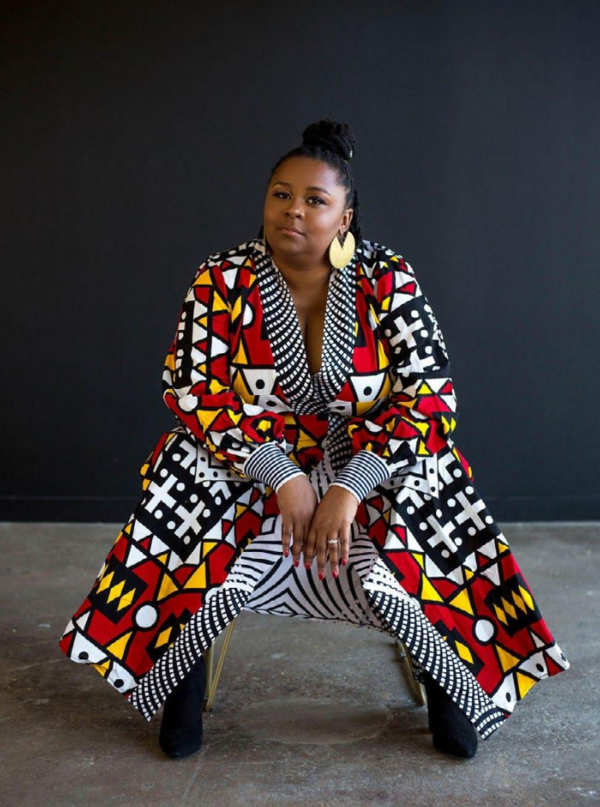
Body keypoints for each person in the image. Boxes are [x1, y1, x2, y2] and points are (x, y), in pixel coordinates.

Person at [58, 118, 570, 761]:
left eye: (314, 199)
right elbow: (193, 389)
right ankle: (178, 681)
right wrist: (282, 473)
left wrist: (351, 485)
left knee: (430, 477)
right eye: (281, 194)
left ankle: (452, 680)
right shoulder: (222, 277)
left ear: (345, 217)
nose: (293, 210)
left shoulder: (388, 278)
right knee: (185, 473)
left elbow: (430, 395)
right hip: (252, 454)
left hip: (369, 455)